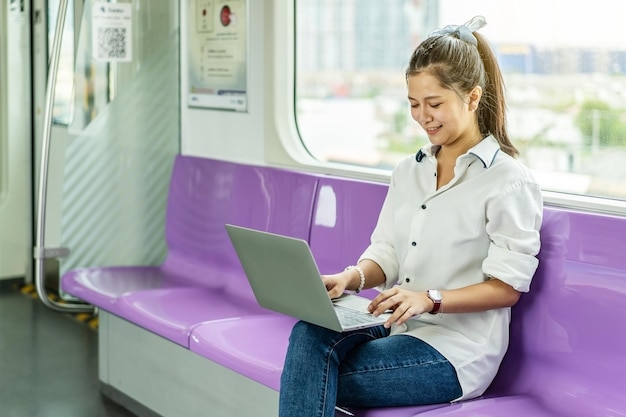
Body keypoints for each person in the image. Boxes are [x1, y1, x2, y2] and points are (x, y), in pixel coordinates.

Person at [279, 15, 543, 416]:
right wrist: (352, 277)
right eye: (414, 104)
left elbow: (508, 287)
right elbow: (386, 252)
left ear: (472, 98)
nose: (423, 116)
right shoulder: (409, 171)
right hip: (397, 325)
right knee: (308, 334)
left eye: (435, 104)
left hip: (455, 352)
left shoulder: (508, 182)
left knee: (310, 373)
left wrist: (429, 299)